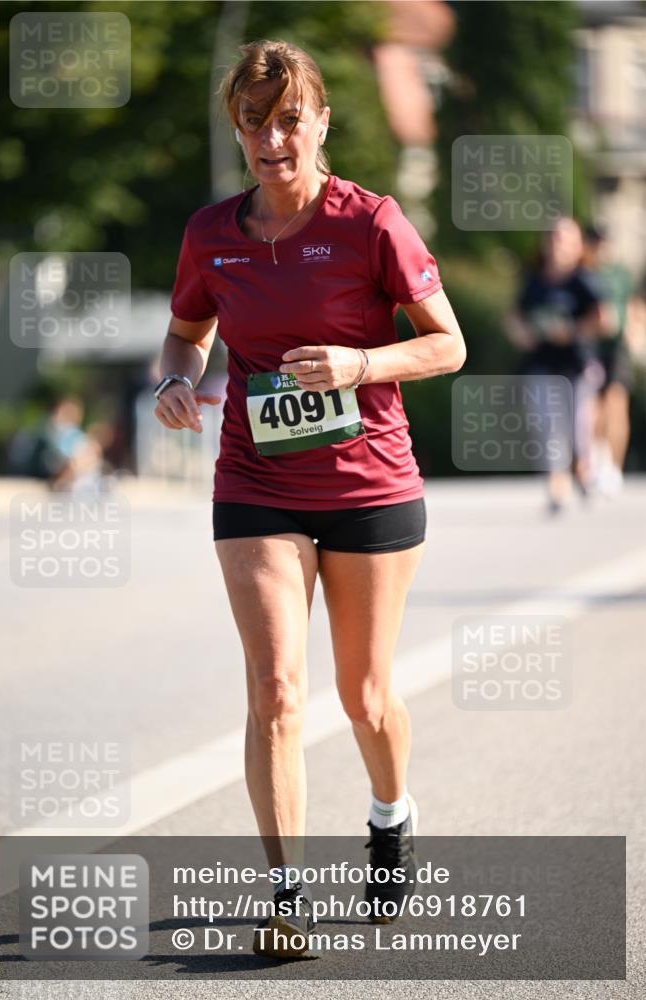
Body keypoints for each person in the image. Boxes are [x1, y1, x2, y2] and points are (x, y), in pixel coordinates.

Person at [154, 39, 466, 959]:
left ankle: (390, 812)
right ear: (238, 131)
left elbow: (445, 344)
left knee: (364, 695)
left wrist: (362, 362)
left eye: (289, 118)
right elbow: (186, 335)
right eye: (255, 121)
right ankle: (283, 894)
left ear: (321, 122)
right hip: (255, 483)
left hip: (369, 483)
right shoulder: (212, 234)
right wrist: (175, 384)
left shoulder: (369, 223)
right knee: (276, 689)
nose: (272, 138)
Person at [505, 218, 609, 514]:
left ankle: (585, 470)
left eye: (563, 239)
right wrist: (521, 333)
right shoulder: (534, 280)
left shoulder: (584, 279)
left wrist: (572, 332)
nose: (556, 244)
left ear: (577, 246)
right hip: (541, 364)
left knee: (578, 428)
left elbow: (605, 319)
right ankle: (556, 486)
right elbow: (514, 315)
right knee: (547, 428)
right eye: (551, 238)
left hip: (577, 364)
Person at [582, 225, 634, 496]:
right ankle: (596, 460)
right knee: (591, 408)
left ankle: (614, 466)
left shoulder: (619, 274)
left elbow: (634, 305)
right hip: (590, 346)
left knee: (616, 403)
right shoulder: (584, 273)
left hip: (616, 347)